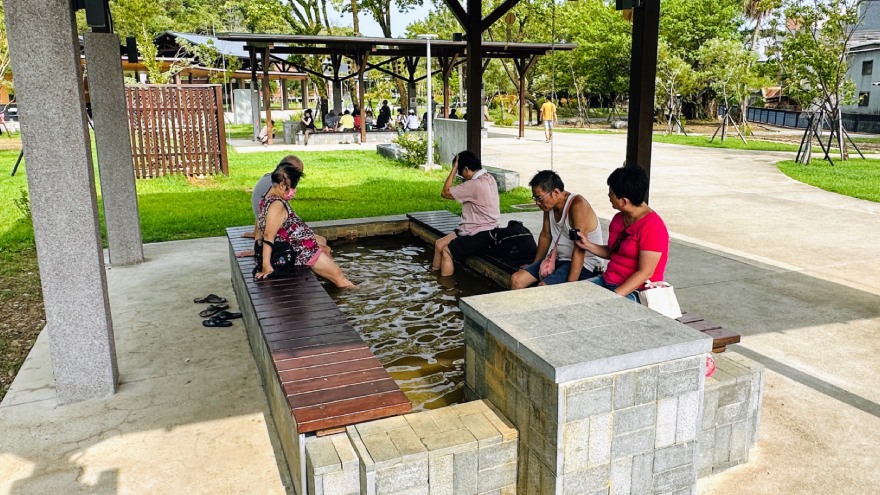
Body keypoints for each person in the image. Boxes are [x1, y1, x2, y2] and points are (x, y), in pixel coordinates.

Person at [575, 165, 669, 301]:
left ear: (624, 201)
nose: (609, 196)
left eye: (611, 193)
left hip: (637, 291)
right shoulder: (619, 219)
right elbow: (614, 253)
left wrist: (614, 297)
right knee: (573, 297)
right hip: (608, 281)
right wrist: (588, 245)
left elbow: (645, 272)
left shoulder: (653, 227)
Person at [254, 163, 354, 287]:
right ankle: (359, 296)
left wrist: (257, 246)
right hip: (305, 252)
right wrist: (266, 266)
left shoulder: (265, 198)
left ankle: (330, 284)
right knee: (341, 279)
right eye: (292, 188)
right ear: (281, 186)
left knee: (324, 246)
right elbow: (269, 235)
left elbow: (259, 224)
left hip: (302, 247)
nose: (294, 192)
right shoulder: (277, 205)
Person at [510, 170, 603, 289]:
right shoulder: (549, 206)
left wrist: (570, 285)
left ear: (555, 192)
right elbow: (545, 235)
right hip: (559, 259)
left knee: (543, 289)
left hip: (585, 264)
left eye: (540, 198)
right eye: (535, 198)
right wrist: (535, 264)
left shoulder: (578, 205)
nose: (538, 203)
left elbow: (580, 248)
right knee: (516, 280)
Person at [239, 155, 329, 256]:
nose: (297, 181)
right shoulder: (278, 190)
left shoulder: (271, 180)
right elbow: (270, 231)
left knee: (321, 240)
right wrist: (259, 251)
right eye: (297, 176)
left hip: (276, 232)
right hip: (279, 238)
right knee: (323, 248)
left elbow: (261, 214)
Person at [432, 150, 500, 277]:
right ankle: (433, 276)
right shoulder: (489, 178)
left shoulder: (474, 185)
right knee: (439, 244)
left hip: (480, 233)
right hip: (474, 228)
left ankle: (445, 287)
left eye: (460, 171)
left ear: (466, 168)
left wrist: (453, 169)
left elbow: (445, 192)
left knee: (447, 251)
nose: (461, 175)